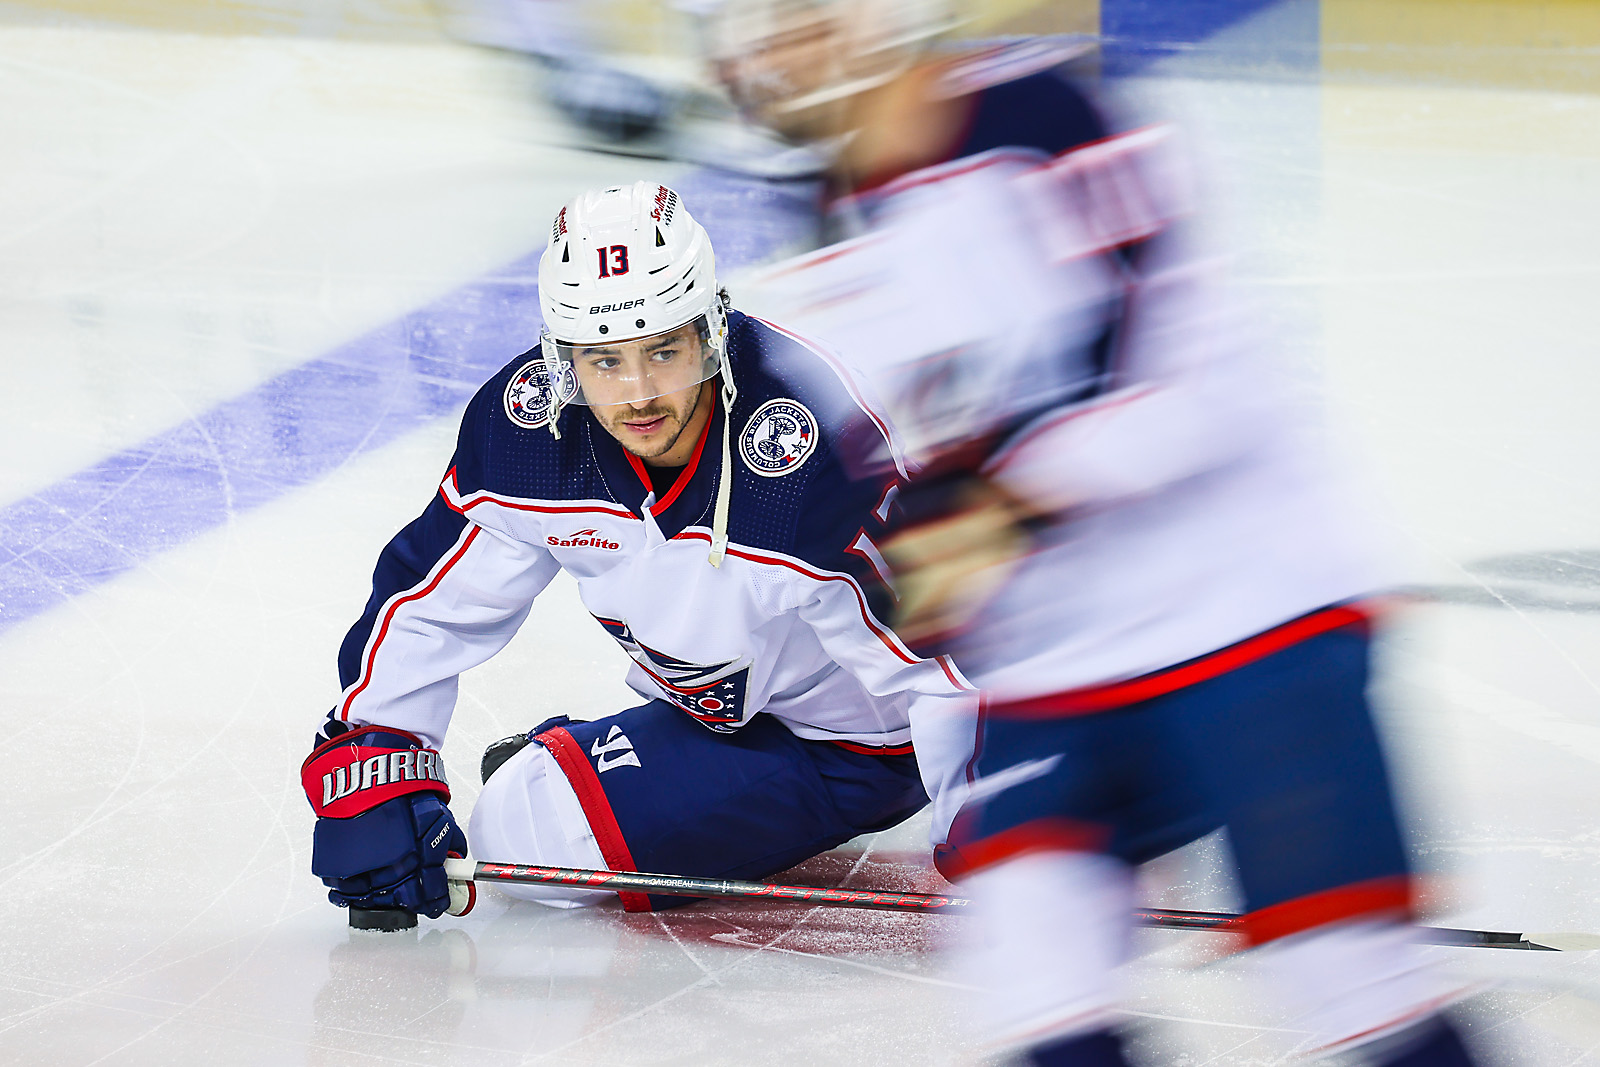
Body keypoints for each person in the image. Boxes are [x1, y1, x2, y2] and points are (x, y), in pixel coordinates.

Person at [713, 3, 1480, 1065]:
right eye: (750, 26)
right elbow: (925, 481)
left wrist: (1009, 503)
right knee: (1041, 990)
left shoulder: (1044, 120)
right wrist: (929, 570)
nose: (774, 51)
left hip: (1249, 612)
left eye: (801, 18)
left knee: (1348, 977)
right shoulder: (828, 230)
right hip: (1054, 664)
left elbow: (1203, 387)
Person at [300, 180, 969, 921]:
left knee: (526, 845)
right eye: (604, 360)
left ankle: (590, 765)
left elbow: (950, 659)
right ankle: (601, 763)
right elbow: (432, 601)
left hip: (856, 741)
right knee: (525, 826)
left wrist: (995, 814)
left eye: (664, 350)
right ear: (562, 357)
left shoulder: (815, 448)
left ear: (712, 330)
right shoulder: (529, 433)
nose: (639, 394)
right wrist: (378, 751)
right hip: (707, 711)